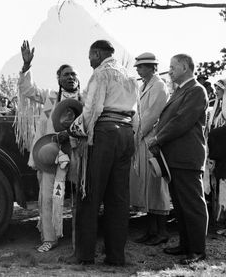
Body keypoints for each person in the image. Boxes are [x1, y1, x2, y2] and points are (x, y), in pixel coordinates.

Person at [67, 40, 138, 265]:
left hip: (104, 133)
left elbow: (93, 109)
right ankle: (116, 256)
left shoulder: (101, 73)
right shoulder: (129, 75)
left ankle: (84, 255)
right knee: (118, 198)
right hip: (127, 133)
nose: (89, 61)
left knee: (89, 194)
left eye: (90, 56)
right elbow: (137, 111)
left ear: (97, 53)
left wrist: (75, 128)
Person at [16, 40, 82, 253]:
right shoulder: (50, 97)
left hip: (80, 154)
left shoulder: (87, 98)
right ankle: (50, 237)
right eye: (66, 75)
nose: (71, 77)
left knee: (83, 196)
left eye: (73, 74)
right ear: (59, 79)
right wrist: (26, 66)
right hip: (52, 155)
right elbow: (26, 89)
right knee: (49, 195)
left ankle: (81, 236)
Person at [147, 54, 208, 265]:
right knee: (180, 205)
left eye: (173, 67)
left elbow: (182, 121)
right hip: (174, 158)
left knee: (192, 205)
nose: (169, 71)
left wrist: (158, 138)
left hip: (187, 158)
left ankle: (198, 250)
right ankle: (185, 245)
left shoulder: (197, 91)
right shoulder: (182, 90)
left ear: (184, 67)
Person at [130, 52, 170, 246]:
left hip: (152, 141)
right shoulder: (144, 86)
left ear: (151, 67)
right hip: (142, 140)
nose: (138, 69)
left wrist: (136, 136)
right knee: (147, 187)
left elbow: (152, 115)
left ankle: (162, 231)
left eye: (141, 66)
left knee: (156, 185)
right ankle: (151, 230)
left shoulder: (159, 86)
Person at [207, 79, 226, 233]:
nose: (216, 91)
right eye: (215, 88)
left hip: (223, 150)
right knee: (217, 185)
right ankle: (217, 219)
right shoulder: (215, 107)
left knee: (224, 185)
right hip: (216, 149)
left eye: (219, 89)